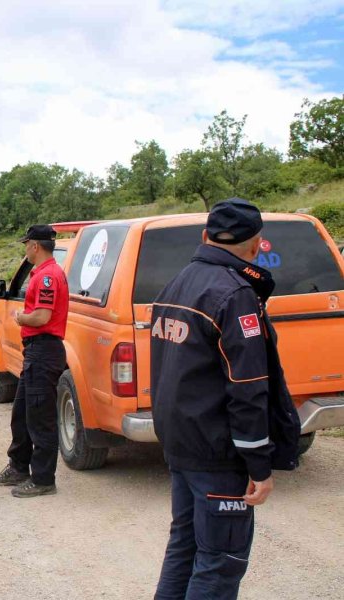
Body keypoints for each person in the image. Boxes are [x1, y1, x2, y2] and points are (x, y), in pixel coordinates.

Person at [151, 198, 300, 599]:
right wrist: (259, 464)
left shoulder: (177, 282)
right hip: (218, 455)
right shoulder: (235, 295)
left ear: (205, 237)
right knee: (219, 563)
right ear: (256, 246)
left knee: (184, 549)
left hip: (182, 444)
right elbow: (248, 388)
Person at [0, 224, 69, 498]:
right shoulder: (44, 274)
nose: (26, 249)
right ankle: (19, 466)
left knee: (40, 418)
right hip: (36, 352)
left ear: (35, 246)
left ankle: (44, 478)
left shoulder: (47, 277)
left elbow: (42, 317)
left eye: (27, 245)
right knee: (22, 413)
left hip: (44, 351)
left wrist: (22, 317)